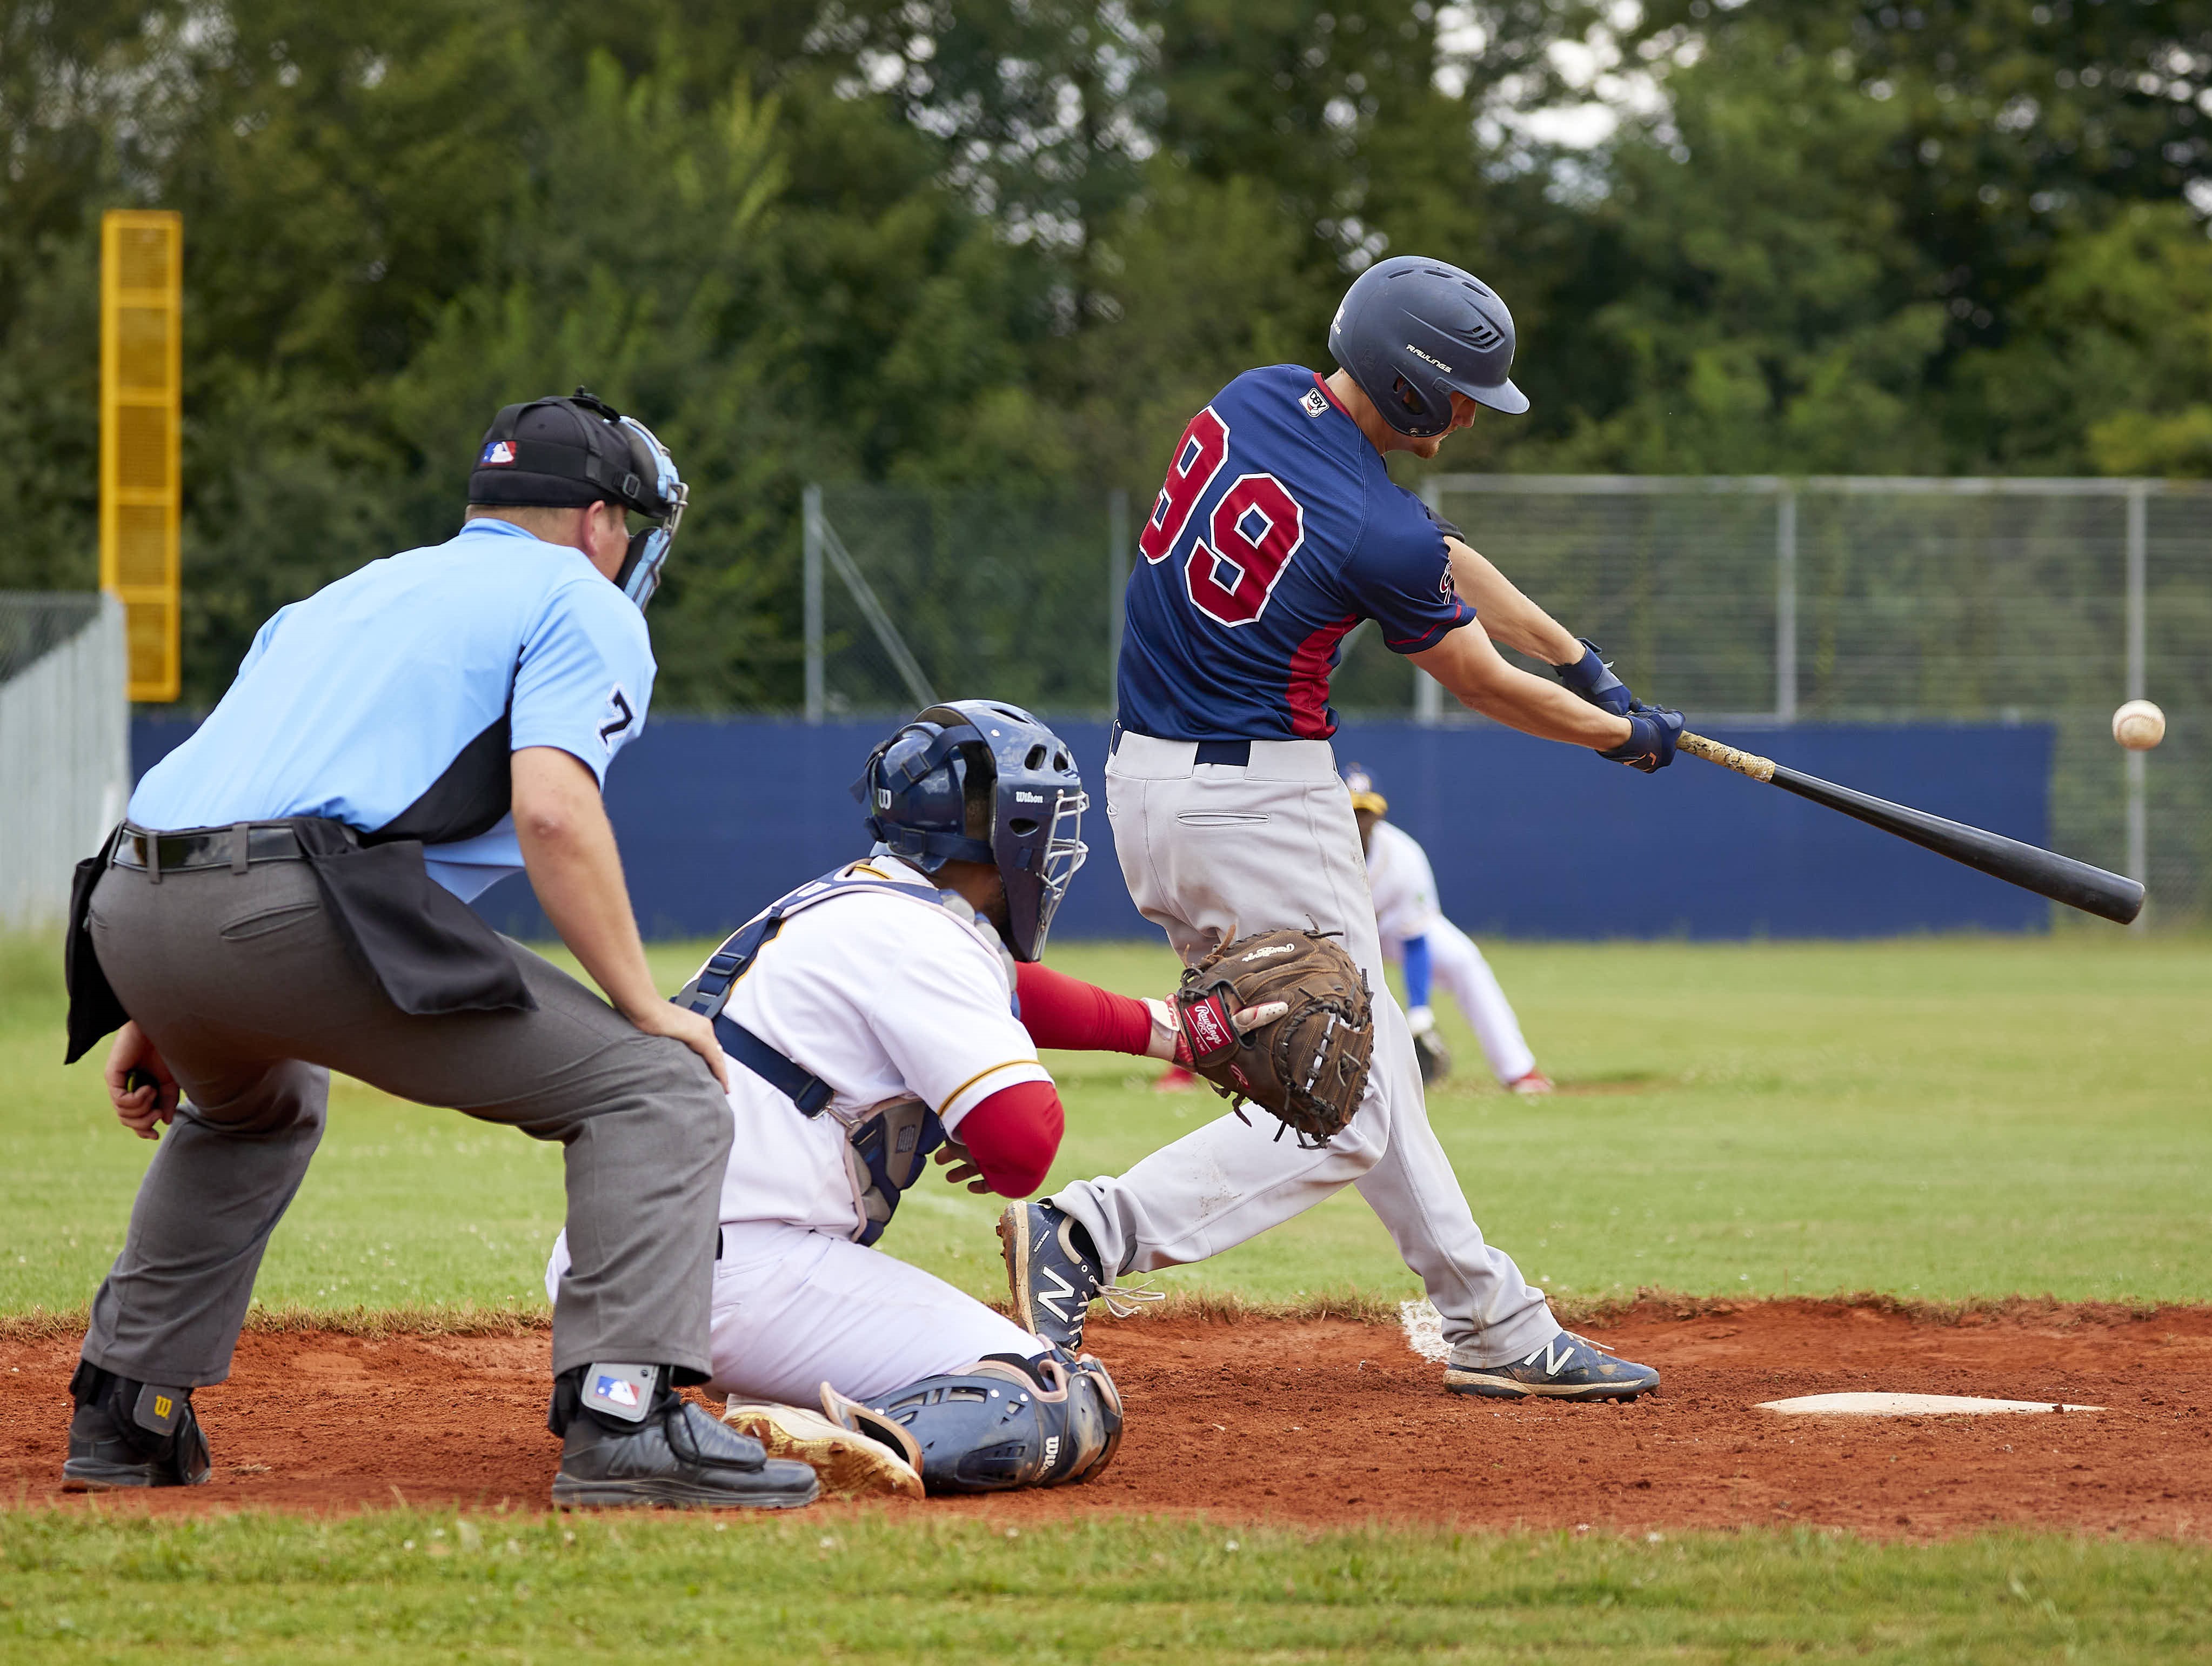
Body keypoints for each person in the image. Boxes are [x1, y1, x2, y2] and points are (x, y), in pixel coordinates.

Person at [59, 392, 818, 1509]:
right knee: (656, 1087)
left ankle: (127, 1408)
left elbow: (226, 785)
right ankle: (624, 1416)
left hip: (130, 900)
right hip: (284, 904)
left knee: (252, 1106)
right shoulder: (578, 595)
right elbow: (553, 813)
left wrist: (167, 999)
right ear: (602, 520)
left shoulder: (345, 592)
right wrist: (644, 1003)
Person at [999, 255, 1680, 1401]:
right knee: (1342, 1105)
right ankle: (1086, 1233)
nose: (1470, 415)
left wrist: (1581, 662)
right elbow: (1478, 678)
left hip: (1147, 788)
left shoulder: (1256, 396)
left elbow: (1438, 550)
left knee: (1357, 1073)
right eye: (1464, 393)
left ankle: (1490, 1319)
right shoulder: (1375, 533)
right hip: (1261, 807)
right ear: (1413, 389)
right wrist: (1613, 736)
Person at [543, 702, 1226, 1496]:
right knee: (1048, 1391)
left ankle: (760, 1402)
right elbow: (1022, 1146)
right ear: (1011, 833)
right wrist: (972, 1112)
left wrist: (1173, 1032)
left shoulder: (860, 903)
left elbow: (1011, 995)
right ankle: (810, 1439)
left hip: (624, 1266)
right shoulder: (927, 939)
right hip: (735, 1273)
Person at [1344, 764, 1553, 1095]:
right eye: (1350, 811)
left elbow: (1415, 941)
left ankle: (1518, 1070)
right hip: (1339, 937)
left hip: (1393, 930)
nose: (1358, 821)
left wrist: (1419, 1012)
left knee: (1463, 960)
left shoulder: (1404, 857)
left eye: (1365, 812)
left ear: (1380, 815)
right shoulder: (1314, 854)